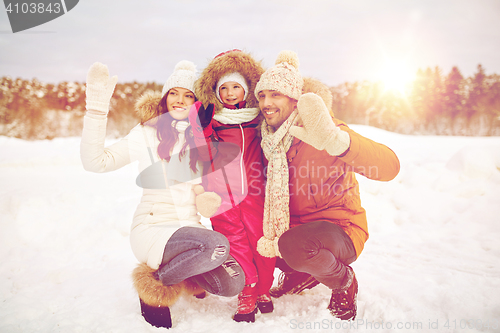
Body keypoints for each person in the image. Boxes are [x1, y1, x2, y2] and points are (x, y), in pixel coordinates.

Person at [80, 60, 245, 329]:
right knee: (217, 244)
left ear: (196, 102)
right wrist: (97, 111)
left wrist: (205, 197)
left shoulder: (200, 137)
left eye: (188, 95)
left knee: (232, 283)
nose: (180, 100)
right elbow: (96, 162)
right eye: (174, 93)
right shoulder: (146, 132)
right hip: (154, 227)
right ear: (165, 96)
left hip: (190, 229)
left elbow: (204, 185)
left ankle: (181, 271)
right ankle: (155, 284)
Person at [254, 51, 400, 321]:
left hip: (340, 232)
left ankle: (343, 281)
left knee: (293, 244)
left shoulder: (324, 130)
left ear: (294, 98)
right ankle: (302, 273)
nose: (266, 102)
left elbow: (389, 166)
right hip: (296, 234)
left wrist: (338, 141)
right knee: (256, 234)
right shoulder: (269, 142)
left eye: (275, 94)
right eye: (262, 95)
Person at [189, 49, 276, 323]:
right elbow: (201, 151)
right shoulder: (211, 121)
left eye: (235, 86)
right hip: (222, 196)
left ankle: (263, 289)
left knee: (261, 243)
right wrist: (200, 125)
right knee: (235, 245)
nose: (229, 93)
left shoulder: (257, 119)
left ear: (246, 89)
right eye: (223, 88)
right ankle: (247, 291)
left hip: (255, 194)